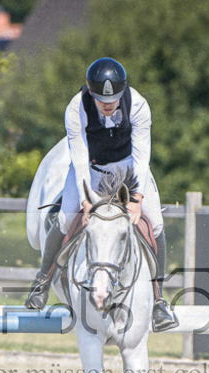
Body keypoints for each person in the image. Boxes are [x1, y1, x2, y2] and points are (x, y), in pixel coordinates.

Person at [24, 57, 178, 332]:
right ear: (91, 93)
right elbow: (79, 156)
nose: (108, 104)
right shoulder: (76, 108)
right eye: (102, 99)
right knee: (65, 218)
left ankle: (159, 301)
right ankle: (42, 282)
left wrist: (136, 199)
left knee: (155, 223)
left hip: (128, 167)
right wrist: (86, 200)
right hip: (91, 168)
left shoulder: (138, 105)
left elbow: (142, 156)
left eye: (114, 99)